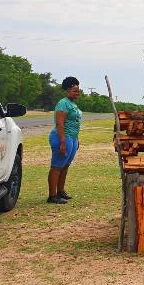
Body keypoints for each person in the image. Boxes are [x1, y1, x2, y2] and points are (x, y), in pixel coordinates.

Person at [47, 76, 83, 204]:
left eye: (78, 91)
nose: (77, 93)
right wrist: (62, 141)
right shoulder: (63, 103)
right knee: (57, 167)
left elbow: (75, 122)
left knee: (65, 166)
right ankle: (52, 196)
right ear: (68, 90)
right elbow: (60, 123)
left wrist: (76, 139)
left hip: (71, 138)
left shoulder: (73, 104)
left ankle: (60, 191)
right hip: (62, 137)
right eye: (75, 91)